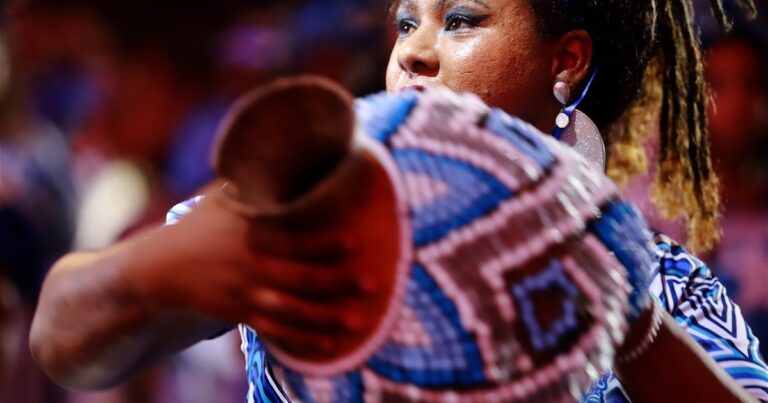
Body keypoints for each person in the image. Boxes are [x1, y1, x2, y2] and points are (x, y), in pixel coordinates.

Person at [29, 0, 768, 402]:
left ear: (566, 61)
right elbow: (62, 336)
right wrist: (215, 259)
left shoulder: (660, 283)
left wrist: (627, 322)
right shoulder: (311, 217)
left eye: (462, 20)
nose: (414, 50)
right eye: (406, 21)